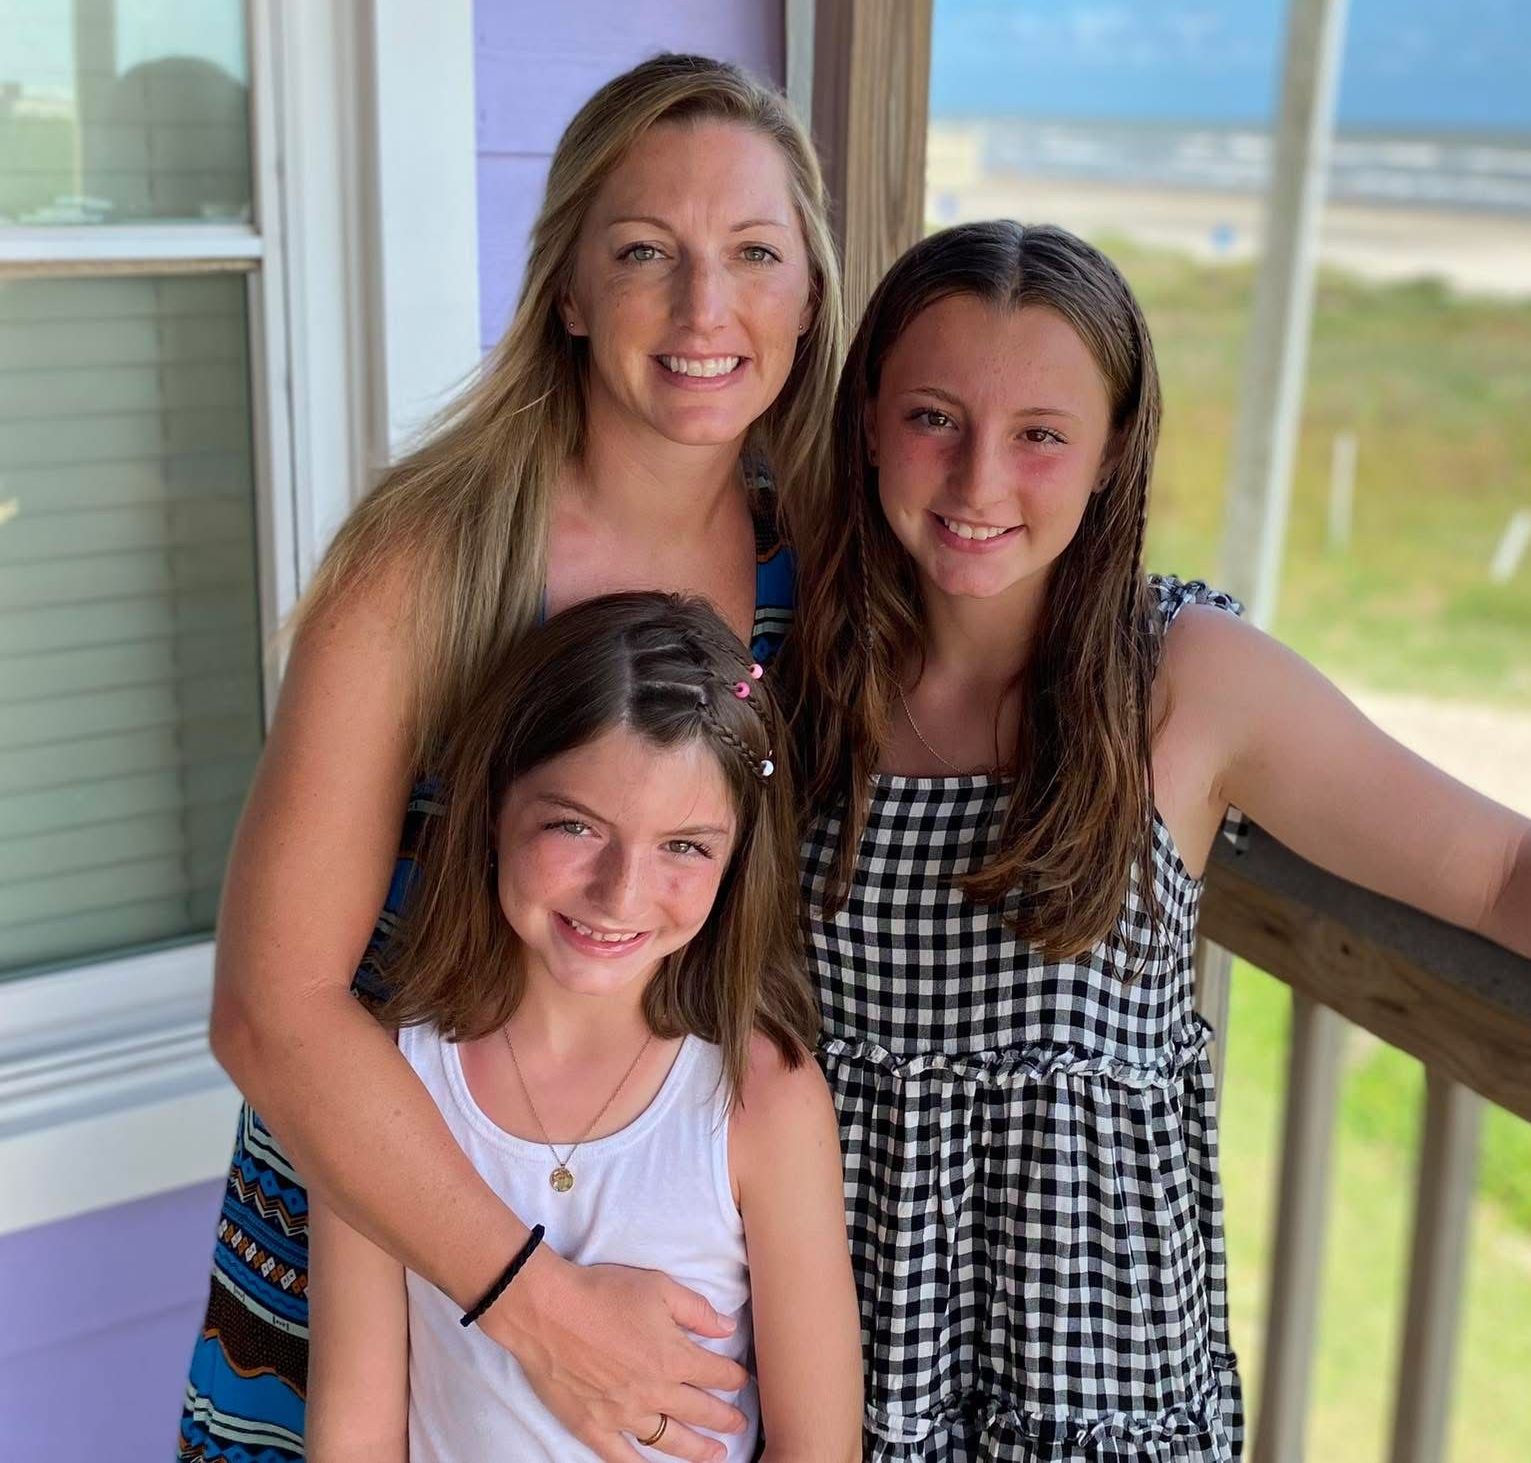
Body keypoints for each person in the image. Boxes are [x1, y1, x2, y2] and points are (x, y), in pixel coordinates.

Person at [179, 54, 844, 1463]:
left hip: (677, 1210)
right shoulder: (431, 562)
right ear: (567, 287)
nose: (703, 308)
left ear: (807, 295)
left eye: (752, 255)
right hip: (379, 1223)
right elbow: (269, 1006)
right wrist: (542, 1311)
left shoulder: (827, 569)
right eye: (644, 252)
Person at [785, 219, 1531, 1460]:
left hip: (1095, 1384)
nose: (978, 483)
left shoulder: (1180, 677)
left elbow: (1497, 867)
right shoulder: (800, 670)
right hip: (830, 1367)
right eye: (933, 418)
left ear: (1111, 451)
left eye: (1039, 435)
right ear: (868, 420)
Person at [304, 593, 862, 1463]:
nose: (619, 892)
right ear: (495, 807)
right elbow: (356, 1433)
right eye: (575, 826)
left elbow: (817, 1448)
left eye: (683, 845)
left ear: (736, 855)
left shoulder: (761, 1098)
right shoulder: (388, 1083)